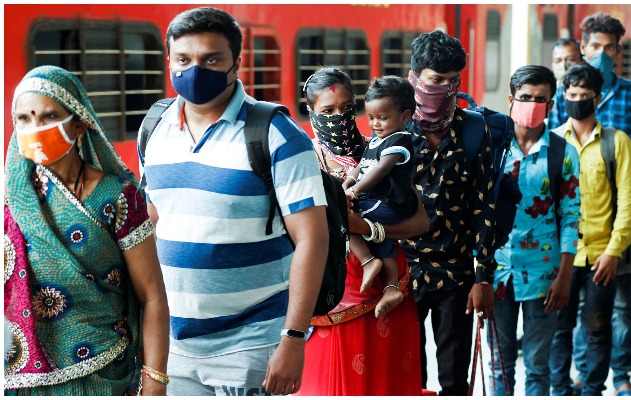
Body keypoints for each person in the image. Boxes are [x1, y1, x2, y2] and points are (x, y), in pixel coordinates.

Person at [138, 7, 328, 396]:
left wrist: (293, 338)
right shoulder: (154, 129)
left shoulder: (276, 134)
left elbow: (312, 238)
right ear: (169, 61)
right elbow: (153, 221)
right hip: (172, 344)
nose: (195, 70)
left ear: (236, 63)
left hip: (251, 344)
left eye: (211, 59)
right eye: (184, 60)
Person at [4, 65, 169, 395]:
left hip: (104, 374)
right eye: (24, 119)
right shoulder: (11, 197)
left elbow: (152, 297)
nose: (35, 128)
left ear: (79, 123)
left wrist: (155, 380)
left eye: (49, 117)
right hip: (23, 383)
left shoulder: (118, 198)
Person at [296, 67, 429, 396]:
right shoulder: (301, 161)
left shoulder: (382, 151)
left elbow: (422, 222)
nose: (339, 117)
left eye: (345, 108)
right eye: (327, 111)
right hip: (333, 292)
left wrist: (370, 229)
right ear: (311, 112)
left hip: (389, 286)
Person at [548, 13, 631, 396]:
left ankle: (609, 381)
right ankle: (567, 384)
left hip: (609, 241)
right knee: (562, 323)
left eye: (610, 48)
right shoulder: (556, 134)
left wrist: (624, 237)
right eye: (596, 47)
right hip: (564, 252)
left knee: (604, 319)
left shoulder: (623, 122)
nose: (602, 53)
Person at [401, 30, 497, 396]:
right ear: (415, 78)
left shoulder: (475, 130)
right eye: (435, 80)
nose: (444, 89)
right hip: (403, 273)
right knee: (408, 374)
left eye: (452, 81)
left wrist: (483, 278)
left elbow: (483, 207)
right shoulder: (394, 125)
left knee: (455, 380)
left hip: (456, 275)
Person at [488, 65, 581, 396]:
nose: (532, 104)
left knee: (539, 369)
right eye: (525, 97)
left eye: (540, 99)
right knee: (499, 365)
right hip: (496, 272)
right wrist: (477, 273)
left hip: (545, 276)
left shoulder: (562, 153)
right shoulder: (493, 150)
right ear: (511, 100)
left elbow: (571, 217)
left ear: (551, 105)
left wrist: (565, 276)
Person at [342, 75, 418, 318]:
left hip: (392, 203)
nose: (375, 124)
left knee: (343, 217)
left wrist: (356, 191)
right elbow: (362, 166)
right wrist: (346, 184)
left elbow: (381, 169)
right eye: (371, 117)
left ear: (404, 117)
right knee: (381, 238)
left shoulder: (400, 141)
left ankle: (368, 262)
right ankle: (391, 287)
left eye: (382, 118)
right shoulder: (378, 139)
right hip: (377, 201)